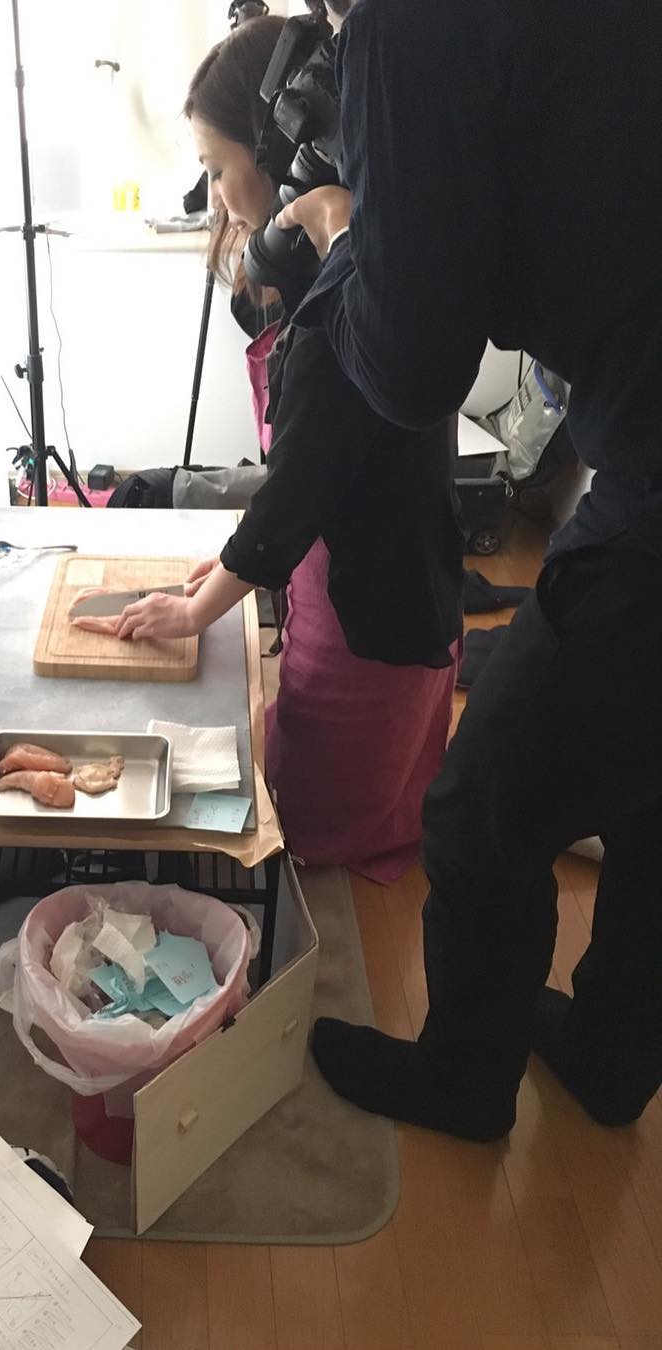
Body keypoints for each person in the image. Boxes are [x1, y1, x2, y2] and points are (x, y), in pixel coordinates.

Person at [274, 0, 662, 1138]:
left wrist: (346, 228)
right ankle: (612, 1055)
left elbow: (410, 369)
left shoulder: (407, 20)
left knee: (481, 807)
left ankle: (464, 1082)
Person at [119, 14, 464, 883]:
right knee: (310, 782)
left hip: (372, 626)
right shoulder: (362, 267)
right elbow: (314, 475)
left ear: (281, 153)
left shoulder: (347, 304)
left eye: (216, 168)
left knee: (305, 835)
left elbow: (296, 489)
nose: (215, 196)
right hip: (360, 585)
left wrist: (198, 612)